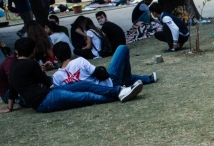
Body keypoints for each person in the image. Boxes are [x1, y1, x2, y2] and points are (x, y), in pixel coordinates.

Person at [0, 38, 143, 114]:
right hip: (45, 100)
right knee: (86, 96)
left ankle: (120, 90)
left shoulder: (14, 65)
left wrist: (10, 107)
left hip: (48, 95)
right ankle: (120, 94)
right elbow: (45, 81)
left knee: (85, 86)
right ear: (32, 51)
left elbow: (12, 87)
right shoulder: (30, 64)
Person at [53, 42, 156, 88]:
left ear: (56, 58)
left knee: (123, 75)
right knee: (122, 48)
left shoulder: (56, 77)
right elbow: (104, 76)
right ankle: (130, 79)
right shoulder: (79, 61)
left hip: (92, 91)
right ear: (70, 54)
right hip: (109, 84)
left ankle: (146, 79)